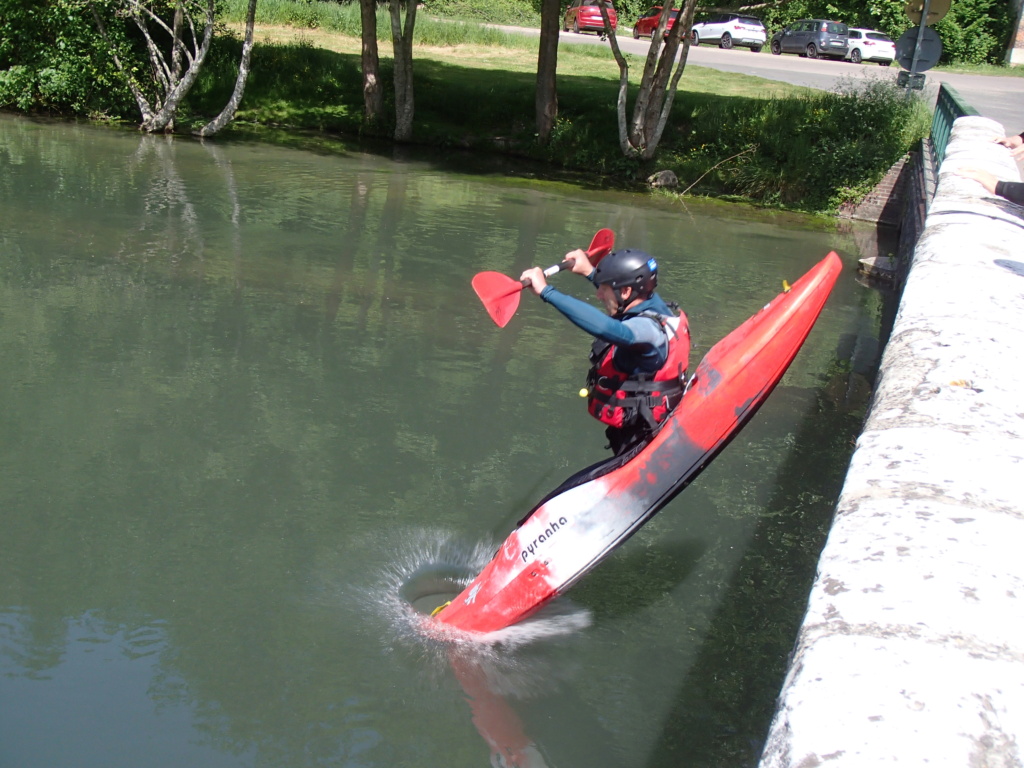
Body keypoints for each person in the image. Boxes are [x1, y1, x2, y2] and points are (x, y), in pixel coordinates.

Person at [520, 248, 690, 455]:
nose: (598, 295)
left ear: (626, 292)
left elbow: (608, 329)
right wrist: (589, 272)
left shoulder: (647, 331)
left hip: (643, 436)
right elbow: (619, 295)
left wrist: (547, 292)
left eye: (604, 289)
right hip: (647, 422)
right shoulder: (653, 304)